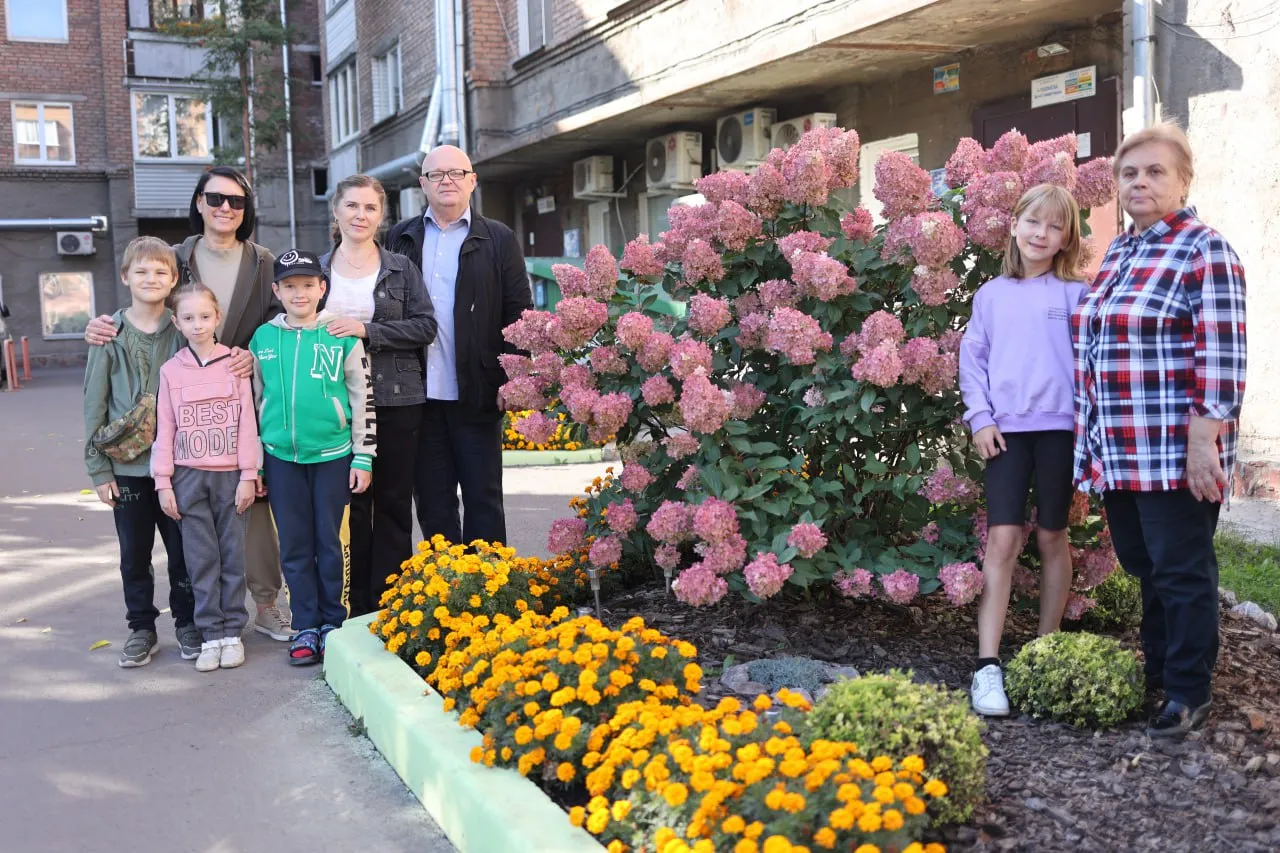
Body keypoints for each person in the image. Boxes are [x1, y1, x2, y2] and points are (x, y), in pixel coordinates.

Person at [1073, 122, 1246, 738]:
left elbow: (1222, 355)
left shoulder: (1204, 250)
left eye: (1154, 172)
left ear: (1182, 181)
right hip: (1120, 446)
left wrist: (1206, 442)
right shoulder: (1122, 250)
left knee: (1181, 569)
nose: (1139, 182)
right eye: (1129, 173)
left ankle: (1188, 692)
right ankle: (1159, 674)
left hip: (1173, 449)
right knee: (1144, 564)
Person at [85, 167, 291, 643]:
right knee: (193, 527)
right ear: (198, 203)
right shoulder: (175, 257)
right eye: (215, 198)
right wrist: (100, 327)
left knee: (253, 509)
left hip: (243, 396)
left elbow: (280, 321)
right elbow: (145, 303)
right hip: (186, 408)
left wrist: (250, 356)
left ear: (247, 210)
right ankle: (202, 617)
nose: (225, 208)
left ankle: (264, 603)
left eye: (236, 201)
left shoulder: (262, 262)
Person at [960, 183, 1088, 717]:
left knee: (1053, 534)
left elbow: (1091, 365)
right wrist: (980, 418)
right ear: (1014, 225)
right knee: (1003, 538)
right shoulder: (990, 294)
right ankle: (987, 667)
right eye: (1034, 222)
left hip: (1062, 431)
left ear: (1066, 238)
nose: (1042, 233)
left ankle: (1043, 649)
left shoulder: (1076, 295)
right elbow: (974, 360)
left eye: (1055, 226)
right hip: (1006, 432)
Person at [385, 145, 532, 548]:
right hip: (417, 393)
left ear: (472, 181)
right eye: (436, 174)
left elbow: (520, 313)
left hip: (478, 389)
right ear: (422, 184)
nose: (446, 180)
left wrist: (514, 378)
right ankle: (444, 589)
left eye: (456, 172)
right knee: (432, 501)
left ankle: (487, 588)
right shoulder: (401, 237)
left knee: (484, 499)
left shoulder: (498, 238)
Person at [250, 250, 377, 665]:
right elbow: (252, 403)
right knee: (294, 545)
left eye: (308, 285)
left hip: (333, 456)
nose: (299, 293)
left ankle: (332, 625)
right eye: (290, 286)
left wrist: (364, 456)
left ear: (323, 288)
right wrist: (255, 464)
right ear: (277, 291)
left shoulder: (342, 334)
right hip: (281, 459)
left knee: (330, 541)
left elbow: (363, 397)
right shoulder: (262, 338)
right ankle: (305, 624)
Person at [320, 174, 437, 617]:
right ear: (336, 211)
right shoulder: (316, 269)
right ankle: (351, 605)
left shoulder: (400, 268)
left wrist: (367, 331)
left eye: (369, 208)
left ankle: (388, 605)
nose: (360, 215)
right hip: (332, 405)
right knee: (349, 508)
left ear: (381, 215)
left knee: (390, 505)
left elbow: (426, 326)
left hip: (396, 400)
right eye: (351, 206)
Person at [83, 237, 200, 667]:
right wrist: (98, 469)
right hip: (128, 468)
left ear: (173, 280)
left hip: (181, 465)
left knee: (183, 550)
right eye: (142, 271)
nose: (151, 279)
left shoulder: (186, 328)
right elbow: (94, 402)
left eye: (160, 272)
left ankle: (187, 622)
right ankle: (142, 627)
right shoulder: (109, 334)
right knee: (134, 552)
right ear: (126, 277)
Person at [151, 283, 260, 672]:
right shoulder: (170, 371)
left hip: (230, 476)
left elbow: (248, 421)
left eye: (205, 316)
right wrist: (163, 482)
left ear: (217, 318)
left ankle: (233, 632)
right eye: (188, 318)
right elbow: (165, 428)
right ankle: (210, 634)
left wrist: (249, 474)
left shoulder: (235, 364)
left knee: (232, 557)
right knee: (200, 560)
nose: (198, 324)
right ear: (176, 322)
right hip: (188, 478)